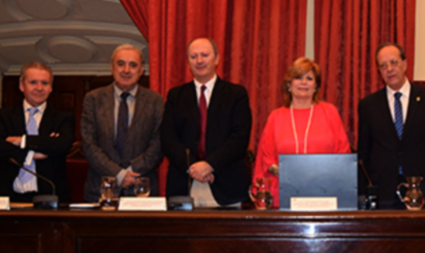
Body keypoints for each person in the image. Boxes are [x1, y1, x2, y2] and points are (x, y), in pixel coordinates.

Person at [357, 42, 425, 209]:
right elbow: (363, 156)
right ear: (379, 71)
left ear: (405, 64)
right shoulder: (368, 105)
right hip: (383, 193)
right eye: (383, 65)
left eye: (393, 62)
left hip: (423, 191)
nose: (389, 69)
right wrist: (361, 195)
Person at [161, 37, 252, 206]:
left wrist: (210, 165)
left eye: (204, 55)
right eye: (193, 56)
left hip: (227, 184)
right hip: (184, 184)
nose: (199, 61)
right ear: (188, 61)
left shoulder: (236, 94)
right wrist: (193, 167)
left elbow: (239, 138)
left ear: (216, 59)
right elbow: (168, 139)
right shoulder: (175, 96)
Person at [253, 57, 350, 208]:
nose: (304, 82)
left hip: (325, 194)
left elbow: (342, 154)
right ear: (289, 84)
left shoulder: (330, 112)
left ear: (316, 86)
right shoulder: (276, 117)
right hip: (284, 195)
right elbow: (266, 159)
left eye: (309, 78)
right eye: (298, 77)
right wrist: (289, 174)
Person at [80, 44, 165, 202]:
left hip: (141, 189)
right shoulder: (93, 99)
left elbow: (158, 144)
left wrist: (132, 172)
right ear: (111, 67)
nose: (126, 70)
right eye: (121, 64)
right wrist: (119, 174)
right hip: (101, 189)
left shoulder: (155, 101)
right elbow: (89, 144)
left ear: (142, 70)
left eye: (133, 65)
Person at [0, 62, 74, 202]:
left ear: (51, 87)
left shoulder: (63, 118)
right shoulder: (4, 116)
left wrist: (21, 141)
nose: (39, 88)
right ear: (21, 85)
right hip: (8, 197)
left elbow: (62, 145)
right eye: (33, 82)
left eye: (44, 83)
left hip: (50, 197)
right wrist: (31, 154)